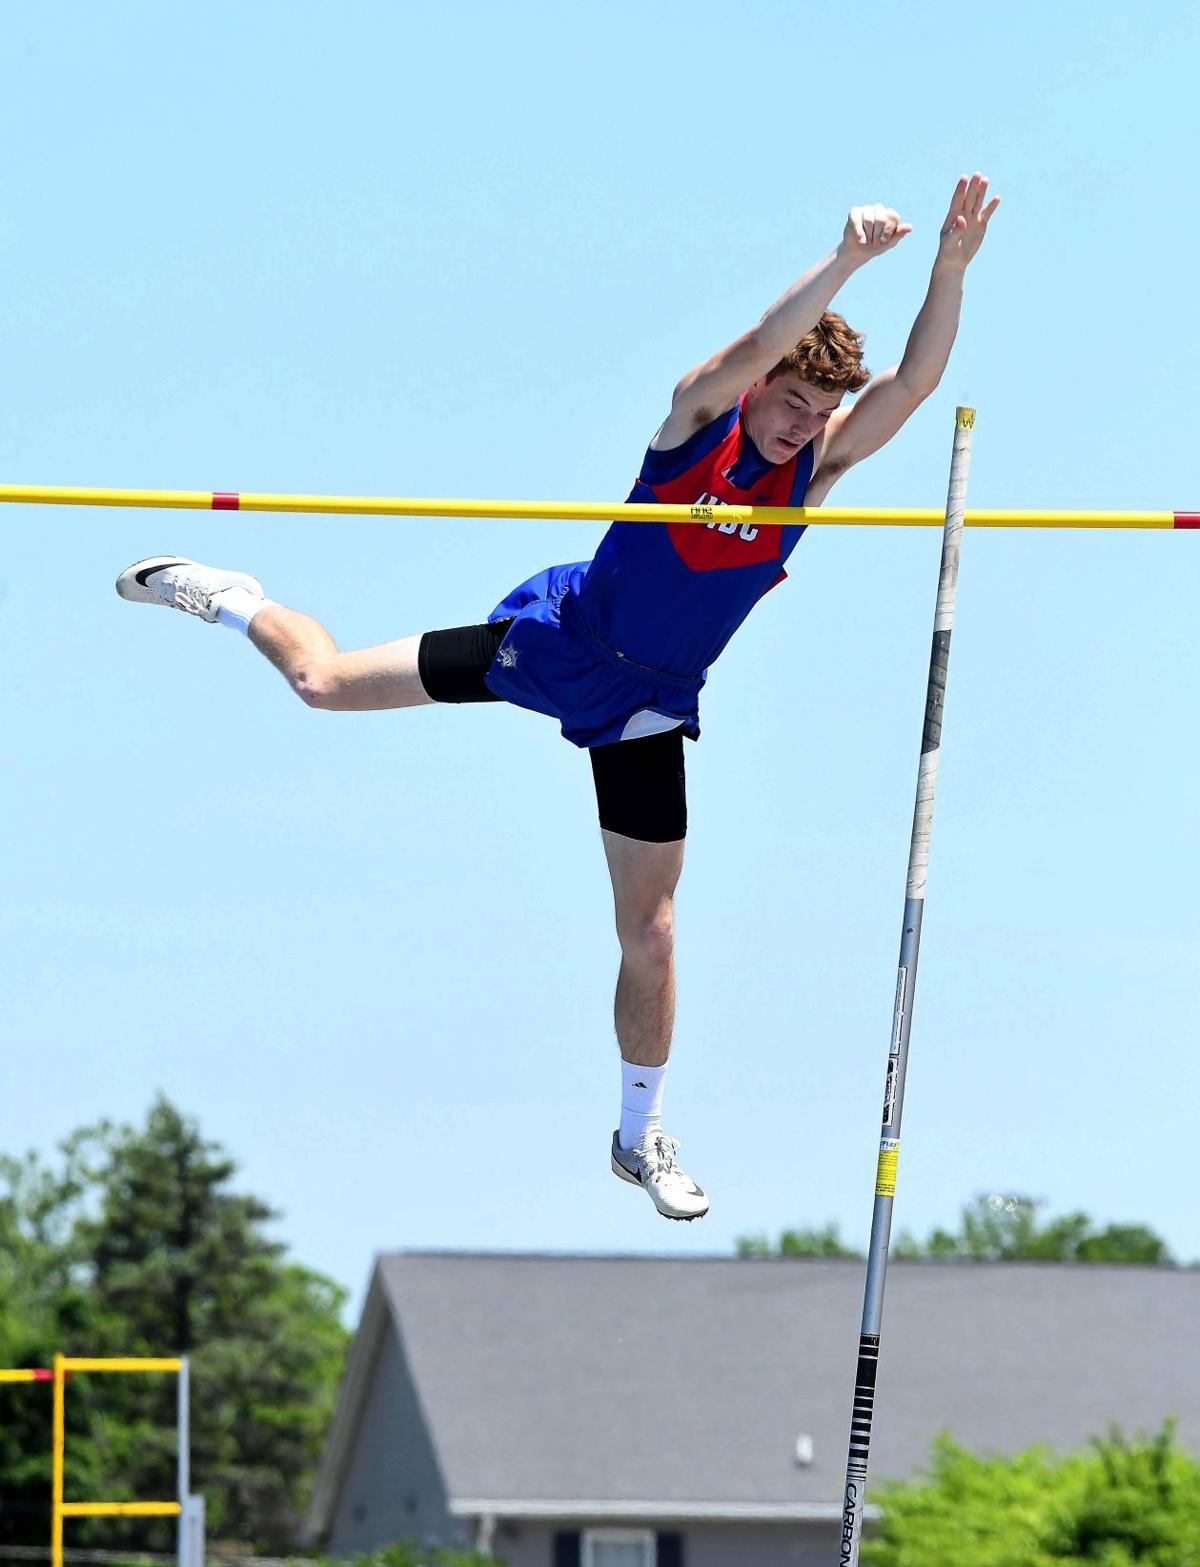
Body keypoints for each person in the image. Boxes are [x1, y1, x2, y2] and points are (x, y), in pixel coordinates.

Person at [117, 175, 999, 1222]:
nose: (798, 424)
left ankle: (640, 1136)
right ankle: (229, 600)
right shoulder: (696, 425)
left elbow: (910, 387)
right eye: (789, 402)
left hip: (651, 702)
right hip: (557, 641)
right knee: (321, 684)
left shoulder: (809, 475)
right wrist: (847, 260)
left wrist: (947, 269)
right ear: (759, 390)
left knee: (654, 934)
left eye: (817, 412)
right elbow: (754, 347)